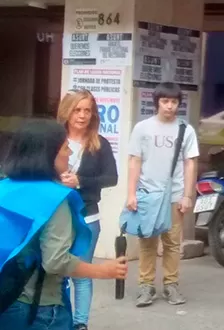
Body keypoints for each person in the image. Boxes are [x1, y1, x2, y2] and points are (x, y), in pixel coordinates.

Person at [0, 120, 127, 330]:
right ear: (48, 153)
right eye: (65, 147)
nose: (69, 153)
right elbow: (55, 261)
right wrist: (103, 271)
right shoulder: (55, 199)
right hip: (39, 309)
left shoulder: (4, 189)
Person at [127, 82, 200, 307]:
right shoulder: (142, 128)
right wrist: (131, 194)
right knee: (147, 242)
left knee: (172, 243)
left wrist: (187, 195)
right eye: (165, 101)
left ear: (179, 104)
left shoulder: (185, 130)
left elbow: (190, 163)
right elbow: (135, 161)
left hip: (174, 195)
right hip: (148, 194)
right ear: (157, 102)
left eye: (174, 102)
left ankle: (171, 285)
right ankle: (145, 287)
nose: (169, 106)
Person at [57, 90, 118, 330]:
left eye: (87, 110)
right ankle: (60, 320)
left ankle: (80, 323)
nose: (82, 116)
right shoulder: (55, 140)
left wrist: (79, 181)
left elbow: (111, 177)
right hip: (56, 215)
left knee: (82, 272)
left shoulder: (99, 143)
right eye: (77, 110)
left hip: (87, 215)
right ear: (67, 112)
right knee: (57, 271)